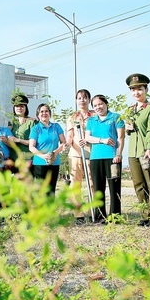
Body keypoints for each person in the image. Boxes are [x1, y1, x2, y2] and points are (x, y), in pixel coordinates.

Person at [125, 73, 150, 226]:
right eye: (133, 90)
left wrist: (149, 149)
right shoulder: (130, 110)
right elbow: (129, 131)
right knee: (139, 184)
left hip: (147, 151)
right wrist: (127, 128)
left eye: (139, 89)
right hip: (133, 152)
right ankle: (144, 215)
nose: (136, 92)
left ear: (146, 89)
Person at [85, 95, 125, 223]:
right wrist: (102, 140)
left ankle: (115, 217)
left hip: (112, 158)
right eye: (95, 105)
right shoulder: (91, 121)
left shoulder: (115, 117)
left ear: (106, 104)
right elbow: (88, 138)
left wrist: (118, 154)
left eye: (100, 104)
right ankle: (100, 217)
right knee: (98, 189)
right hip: (95, 158)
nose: (98, 107)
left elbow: (121, 138)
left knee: (114, 189)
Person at [66, 89, 94, 224]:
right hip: (75, 154)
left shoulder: (94, 116)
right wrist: (67, 143)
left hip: (91, 153)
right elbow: (70, 136)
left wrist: (89, 141)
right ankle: (79, 215)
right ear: (76, 100)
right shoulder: (72, 117)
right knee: (75, 184)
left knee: (92, 183)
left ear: (89, 100)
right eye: (79, 98)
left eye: (85, 97)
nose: (82, 100)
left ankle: (92, 211)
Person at [29, 103, 67, 197]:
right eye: (41, 111)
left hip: (54, 162)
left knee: (51, 190)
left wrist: (55, 152)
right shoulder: (35, 129)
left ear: (50, 113)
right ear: (38, 115)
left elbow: (63, 142)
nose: (44, 113)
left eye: (46, 111)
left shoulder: (56, 126)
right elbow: (31, 147)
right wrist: (42, 156)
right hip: (39, 163)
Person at [8, 93, 37, 174]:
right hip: (14, 159)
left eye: (22, 106)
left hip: (27, 159)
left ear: (25, 108)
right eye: (17, 106)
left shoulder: (32, 122)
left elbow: (34, 142)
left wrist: (18, 140)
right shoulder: (12, 123)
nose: (19, 108)